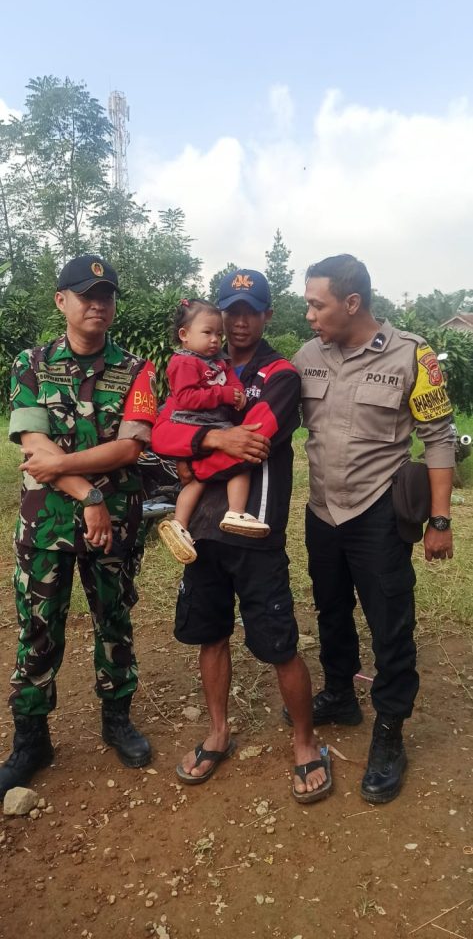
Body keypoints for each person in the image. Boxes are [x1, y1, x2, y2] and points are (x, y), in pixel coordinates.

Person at [152, 268, 332, 803]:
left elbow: (255, 439)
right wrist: (211, 437)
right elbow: (162, 431)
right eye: (232, 310)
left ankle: (304, 743)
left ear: (266, 315)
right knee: (211, 635)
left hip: (255, 529)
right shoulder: (200, 365)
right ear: (220, 315)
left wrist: (197, 446)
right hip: (202, 536)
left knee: (279, 643)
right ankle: (218, 733)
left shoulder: (280, 374)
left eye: (251, 310)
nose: (240, 320)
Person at [290, 253, 455, 803]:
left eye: (317, 303)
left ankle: (390, 731)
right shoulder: (307, 356)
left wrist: (439, 520)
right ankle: (340, 692)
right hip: (322, 512)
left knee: (390, 622)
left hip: (377, 513)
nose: (309, 314)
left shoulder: (413, 354)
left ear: (352, 303)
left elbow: (438, 438)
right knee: (330, 608)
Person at [0, 255, 157, 800]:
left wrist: (72, 475)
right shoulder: (31, 363)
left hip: (114, 525)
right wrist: (89, 493)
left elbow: (131, 445)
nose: (98, 303)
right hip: (46, 526)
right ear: (60, 301)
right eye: (86, 293)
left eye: (106, 295)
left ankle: (117, 721)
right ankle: (32, 739)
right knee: (38, 628)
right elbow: (32, 446)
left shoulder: (137, 369)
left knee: (114, 621)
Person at [158, 297, 270, 565]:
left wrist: (238, 394)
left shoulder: (220, 360)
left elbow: (232, 383)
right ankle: (235, 511)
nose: (215, 340)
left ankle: (181, 524)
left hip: (211, 421)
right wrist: (223, 395)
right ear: (184, 335)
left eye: (219, 334)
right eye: (207, 333)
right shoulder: (184, 362)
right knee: (240, 461)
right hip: (193, 420)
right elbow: (185, 398)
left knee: (197, 479)